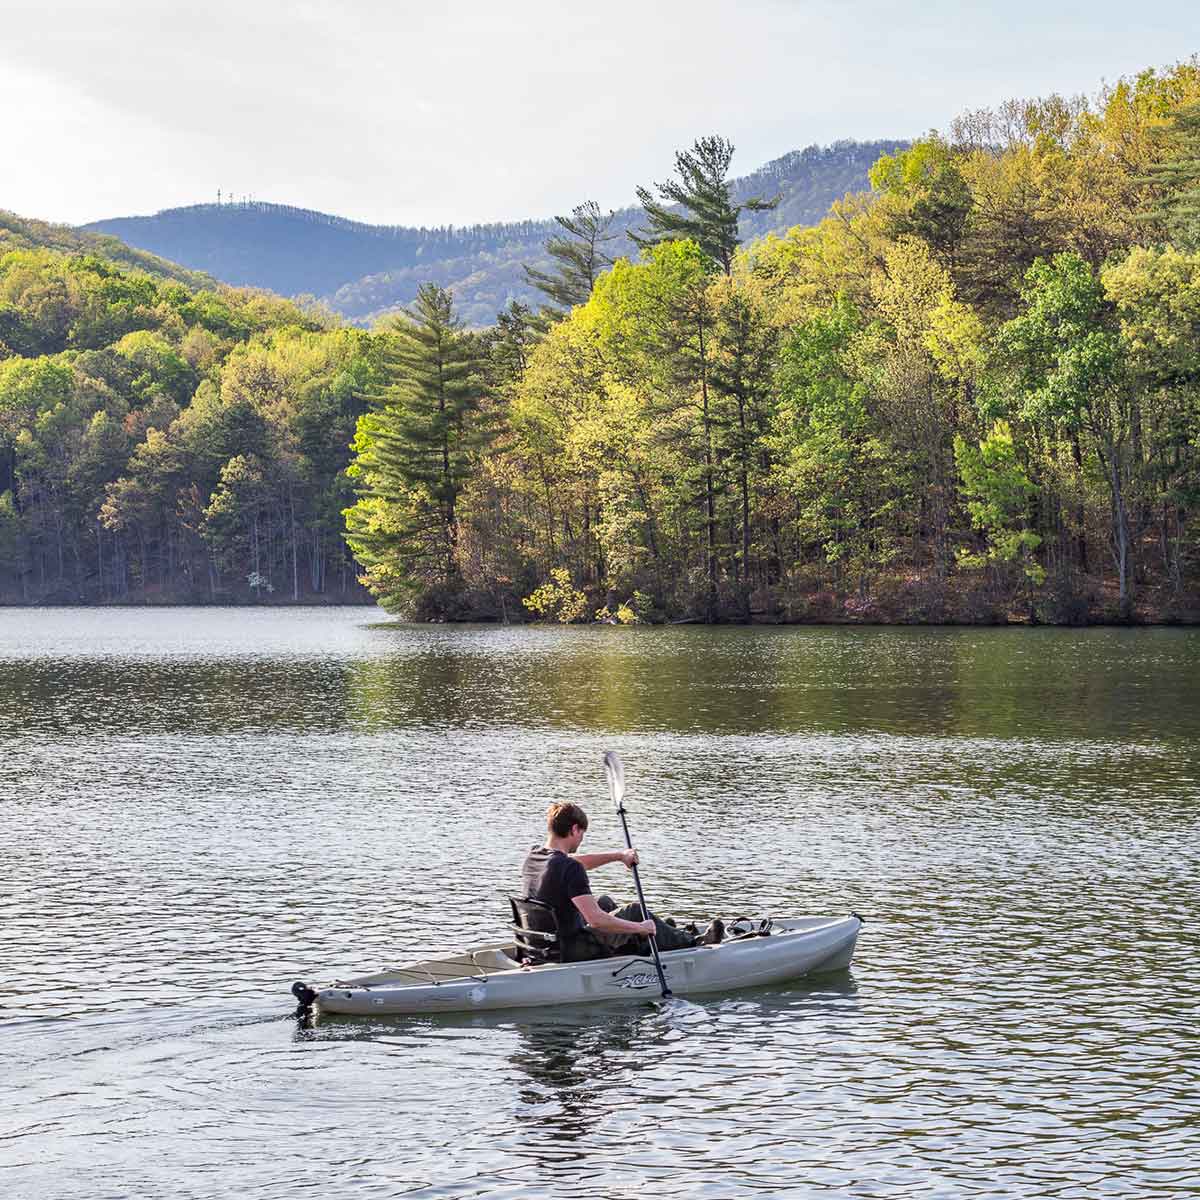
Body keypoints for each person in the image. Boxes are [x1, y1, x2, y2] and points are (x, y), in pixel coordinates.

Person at [519, 801, 720, 962]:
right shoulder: (570, 867)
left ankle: (659, 936)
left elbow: (577, 863)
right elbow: (595, 921)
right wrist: (641, 927)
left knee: (604, 902)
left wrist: (619, 856)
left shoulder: (534, 856)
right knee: (633, 910)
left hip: (543, 943)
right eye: (582, 834)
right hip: (571, 949)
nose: (581, 840)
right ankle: (693, 942)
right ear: (574, 829)